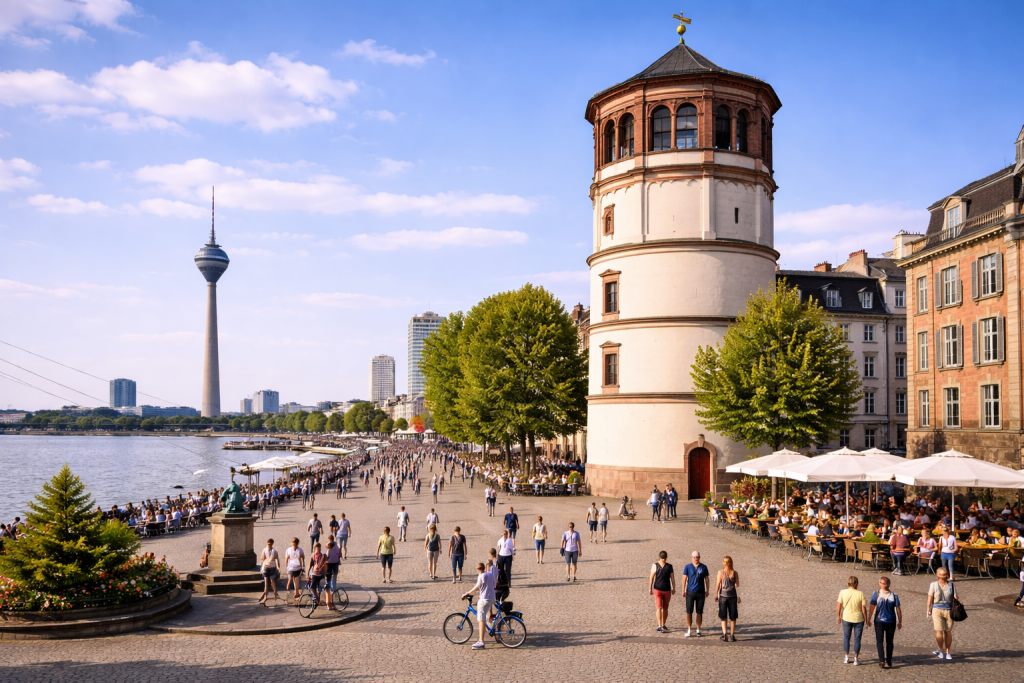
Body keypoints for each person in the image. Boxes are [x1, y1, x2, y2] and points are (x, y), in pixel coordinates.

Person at [462, 559, 499, 650]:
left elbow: (477, 587)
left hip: (484, 599)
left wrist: (467, 593)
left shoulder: (481, 576)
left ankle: (481, 641)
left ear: (478, 569)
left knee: (481, 619)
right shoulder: (489, 574)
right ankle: (488, 629)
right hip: (492, 598)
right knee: (485, 615)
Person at [868, 576, 902, 669]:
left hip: (881, 620)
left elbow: (872, 606)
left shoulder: (877, 594)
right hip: (889, 620)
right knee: (888, 641)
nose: (882, 584)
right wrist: (900, 621)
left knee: (881, 641)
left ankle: (883, 660)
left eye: (882, 583)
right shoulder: (893, 595)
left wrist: (869, 618)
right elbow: (898, 609)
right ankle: (887, 660)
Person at [837, 575, 867, 665]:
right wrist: (866, 619)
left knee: (846, 638)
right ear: (857, 583)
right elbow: (864, 608)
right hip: (858, 619)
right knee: (857, 639)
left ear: (848, 583)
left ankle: (846, 657)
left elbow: (839, 606)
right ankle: (856, 659)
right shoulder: (860, 594)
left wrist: (838, 616)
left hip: (846, 618)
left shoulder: (842, 592)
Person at [926, 567, 956, 660]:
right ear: (937, 575)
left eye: (944, 574)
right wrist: (928, 608)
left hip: (947, 610)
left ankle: (946, 652)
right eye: (941, 574)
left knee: (946, 631)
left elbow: (955, 597)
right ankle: (942, 651)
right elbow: (930, 597)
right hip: (938, 610)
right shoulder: (934, 585)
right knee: (941, 631)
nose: (943, 576)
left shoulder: (951, 585)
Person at [682, 551, 710, 637]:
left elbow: (707, 579)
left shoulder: (704, 567)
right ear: (692, 558)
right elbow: (684, 578)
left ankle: (698, 629)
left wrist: (707, 590)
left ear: (699, 557)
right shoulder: (688, 567)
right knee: (689, 611)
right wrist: (683, 590)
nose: (695, 559)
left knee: (699, 611)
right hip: (690, 592)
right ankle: (689, 629)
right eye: (694, 557)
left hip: (701, 592)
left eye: (697, 557)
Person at [648, 550, 675, 633]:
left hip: (667, 590)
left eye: (664, 559)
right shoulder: (655, 565)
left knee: (665, 608)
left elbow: (672, 578)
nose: (663, 560)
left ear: (666, 558)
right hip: (658, 589)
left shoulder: (669, 566)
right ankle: (659, 625)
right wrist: (650, 588)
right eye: (662, 559)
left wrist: (674, 588)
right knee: (659, 607)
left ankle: (663, 623)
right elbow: (651, 577)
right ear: (660, 558)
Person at [714, 555, 740, 642]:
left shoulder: (720, 572)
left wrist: (715, 594)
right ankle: (732, 635)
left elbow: (718, 584)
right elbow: (737, 585)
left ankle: (725, 634)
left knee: (723, 615)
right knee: (732, 616)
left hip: (723, 596)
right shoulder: (735, 573)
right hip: (732, 596)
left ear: (723, 563)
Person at [309, 542, 333, 609]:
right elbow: (311, 564)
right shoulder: (313, 555)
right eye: (316, 548)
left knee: (321, 589)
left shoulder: (323, 556)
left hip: (321, 574)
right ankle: (317, 599)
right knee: (313, 588)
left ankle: (323, 602)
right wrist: (309, 571)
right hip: (315, 574)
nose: (317, 549)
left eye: (317, 547)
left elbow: (325, 563)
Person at [258, 538, 280, 605]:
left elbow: (262, 559)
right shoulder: (274, 551)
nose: (269, 545)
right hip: (270, 567)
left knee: (268, 583)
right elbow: (277, 560)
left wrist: (261, 568)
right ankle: (273, 595)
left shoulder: (265, 550)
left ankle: (268, 596)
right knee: (271, 582)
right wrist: (278, 568)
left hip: (267, 567)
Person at [284, 537, 305, 603]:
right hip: (296, 567)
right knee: (295, 581)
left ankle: (290, 595)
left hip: (292, 568)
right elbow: (302, 558)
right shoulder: (300, 550)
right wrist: (302, 565)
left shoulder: (288, 550)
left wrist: (287, 566)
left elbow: (286, 559)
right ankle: (295, 594)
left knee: (291, 580)